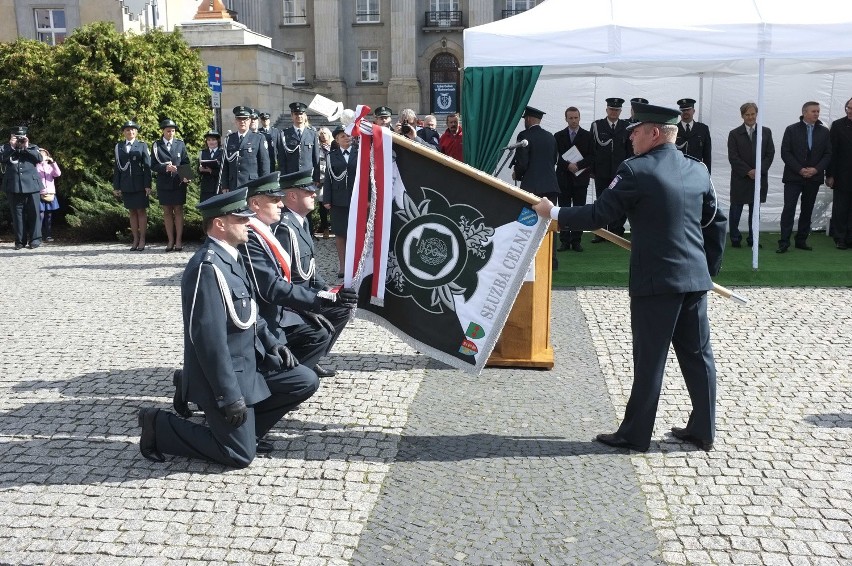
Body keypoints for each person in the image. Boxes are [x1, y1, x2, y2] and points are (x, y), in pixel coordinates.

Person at [531, 101, 727, 453]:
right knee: (698, 356)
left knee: (650, 359)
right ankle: (703, 430)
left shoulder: (636, 170)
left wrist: (553, 211)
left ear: (654, 133)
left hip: (656, 282)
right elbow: (715, 221)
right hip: (694, 281)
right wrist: (707, 270)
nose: (630, 136)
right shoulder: (698, 170)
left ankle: (635, 435)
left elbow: (599, 214)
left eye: (635, 130)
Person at [138, 188, 319, 468]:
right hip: (225, 380)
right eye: (241, 219)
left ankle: (247, 432)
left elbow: (248, 312)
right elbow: (208, 340)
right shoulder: (207, 267)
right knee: (239, 456)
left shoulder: (231, 256)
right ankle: (159, 425)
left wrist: (272, 343)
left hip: (249, 366)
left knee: (304, 380)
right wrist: (228, 395)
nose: (249, 223)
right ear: (220, 224)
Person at [238, 172, 334, 378]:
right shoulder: (250, 236)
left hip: (278, 310)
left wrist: (323, 295)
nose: (281, 204)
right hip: (262, 318)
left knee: (320, 332)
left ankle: (297, 371)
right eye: (274, 200)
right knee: (299, 381)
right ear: (255, 203)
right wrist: (313, 301)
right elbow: (270, 287)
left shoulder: (264, 231)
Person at [275, 169, 359, 364]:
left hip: (308, 295)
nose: (314, 194)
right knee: (330, 314)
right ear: (292, 195)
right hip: (294, 302)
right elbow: (285, 279)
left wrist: (329, 290)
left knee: (343, 307)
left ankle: (315, 359)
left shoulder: (301, 221)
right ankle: (304, 361)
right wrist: (313, 302)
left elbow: (309, 270)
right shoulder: (284, 228)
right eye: (308, 191)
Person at [777, 101, 832, 253]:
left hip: (813, 178)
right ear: (804, 112)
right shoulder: (791, 129)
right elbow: (785, 152)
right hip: (793, 177)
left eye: (818, 111)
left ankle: (801, 240)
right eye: (813, 111)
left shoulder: (824, 131)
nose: (816, 114)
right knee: (789, 208)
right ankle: (784, 241)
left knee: (807, 209)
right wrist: (800, 169)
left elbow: (828, 154)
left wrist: (816, 169)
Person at [511, 105, 559, 270]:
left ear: (529, 119)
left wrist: (517, 173)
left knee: (528, 222)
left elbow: (522, 163)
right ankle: (552, 260)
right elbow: (554, 160)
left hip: (531, 186)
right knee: (550, 222)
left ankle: (528, 260)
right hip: (551, 185)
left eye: (525, 119)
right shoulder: (550, 137)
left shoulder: (524, 136)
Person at [727, 102, 775, 248]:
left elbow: (770, 153)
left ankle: (753, 238)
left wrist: (759, 171)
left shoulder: (765, 132)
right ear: (742, 116)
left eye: (753, 114)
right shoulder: (734, 134)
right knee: (736, 210)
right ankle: (735, 238)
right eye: (747, 114)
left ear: (756, 114)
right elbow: (733, 157)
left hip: (759, 179)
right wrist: (748, 171)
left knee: (755, 211)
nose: (750, 117)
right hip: (740, 178)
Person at [554, 106, 593, 252]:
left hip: (580, 180)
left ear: (580, 118)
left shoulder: (588, 136)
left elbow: (592, 156)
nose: (573, 120)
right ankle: (564, 241)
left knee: (579, 210)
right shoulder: (558, 136)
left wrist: (578, 165)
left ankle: (577, 240)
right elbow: (555, 157)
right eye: (570, 118)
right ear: (566, 119)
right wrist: (568, 165)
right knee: (564, 210)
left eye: (576, 117)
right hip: (563, 179)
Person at [589, 97, 629, 240]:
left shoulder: (626, 126)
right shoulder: (597, 126)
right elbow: (592, 150)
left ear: (620, 111)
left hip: (620, 172)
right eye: (611, 109)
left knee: (619, 201)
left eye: (617, 110)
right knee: (602, 201)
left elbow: (629, 151)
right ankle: (601, 233)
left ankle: (616, 231)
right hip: (602, 172)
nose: (614, 112)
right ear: (606, 110)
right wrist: (592, 170)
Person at [323, 126, 358, 275]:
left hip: (357, 199)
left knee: (357, 234)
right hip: (338, 201)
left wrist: (368, 198)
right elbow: (328, 179)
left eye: (349, 135)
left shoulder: (360, 153)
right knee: (340, 234)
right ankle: (343, 266)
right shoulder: (331, 156)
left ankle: (356, 265)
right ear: (336, 140)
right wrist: (326, 199)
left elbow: (368, 178)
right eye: (343, 136)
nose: (346, 138)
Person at [112, 120, 152, 251]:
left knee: (141, 210)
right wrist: (116, 186)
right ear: (124, 132)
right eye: (128, 130)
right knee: (132, 212)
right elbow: (117, 168)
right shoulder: (119, 147)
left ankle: (142, 239)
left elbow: (147, 166)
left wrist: (148, 184)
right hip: (126, 183)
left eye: (133, 129)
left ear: (136, 132)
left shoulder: (142, 145)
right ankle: (135, 238)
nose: (131, 132)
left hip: (140, 183)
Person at [152, 118, 190, 252]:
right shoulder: (156, 146)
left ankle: (179, 241)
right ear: (163, 131)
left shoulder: (180, 144)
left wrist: (186, 177)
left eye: (173, 131)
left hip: (178, 183)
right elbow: (153, 165)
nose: (171, 133)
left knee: (179, 210)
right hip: (164, 183)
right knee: (167, 212)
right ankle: (170, 241)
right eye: (168, 131)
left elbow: (185, 162)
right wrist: (165, 168)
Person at [2, 126, 44, 250]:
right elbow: (2, 158)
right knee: (17, 215)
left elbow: (39, 158)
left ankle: (35, 239)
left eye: (21, 137)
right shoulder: (5, 148)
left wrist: (25, 147)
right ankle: (20, 241)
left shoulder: (33, 147)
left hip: (32, 186)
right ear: (11, 137)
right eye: (16, 137)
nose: (19, 139)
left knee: (34, 213)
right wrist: (12, 146)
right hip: (13, 186)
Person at [221, 105, 270, 192]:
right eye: (239, 119)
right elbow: (225, 165)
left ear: (250, 120)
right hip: (233, 185)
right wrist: (225, 185)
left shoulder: (258, 138)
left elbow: (264, 164)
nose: (242, 121)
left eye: (245, 119)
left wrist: (264, 186)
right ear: (235, 121)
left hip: (252, 184)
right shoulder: (229, 139)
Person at [826, 97, 852, 249]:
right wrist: (830, 175)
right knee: (841, 208)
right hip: (842, 175)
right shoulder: (837, 125)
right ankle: (840, 237)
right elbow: (832, 152)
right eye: (848, 107)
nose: (849, 111)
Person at [277, 102, 320, 178]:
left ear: (305, 116)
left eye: (301, 114)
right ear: (292, 116)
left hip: (308, 176)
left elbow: (316, 158)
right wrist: (283, 178)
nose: (299, 116)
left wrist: (317, 178)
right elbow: (281, 159)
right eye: (296, 114)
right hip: (291, 176)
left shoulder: (312, 134)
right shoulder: (284, 134)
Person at [676, 98, 712, 172]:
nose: (685, 112)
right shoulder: (674, 129)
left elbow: (707, 155)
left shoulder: (703, 129)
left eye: (688, 110)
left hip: (696, 171)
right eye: (683, 110)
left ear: (693, 111)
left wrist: (707, 175)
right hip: (679, 171)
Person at [36, 148, 61, 242]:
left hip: (50, 194)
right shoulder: (36, 166)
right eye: (41, 155)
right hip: (40, 194)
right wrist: (40, 162)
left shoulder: (50, 167)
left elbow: (58, 174)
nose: (43, 156)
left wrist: (53, 162)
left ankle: (48, 235)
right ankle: (38, 236)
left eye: (45, 154)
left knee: (49, 216)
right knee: (40, 215)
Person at [314, 126, 334, 236]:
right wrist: (316, 178)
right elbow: (315, 164)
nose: (323, 136)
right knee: (322, 203)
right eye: (321, 134)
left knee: (333, 203)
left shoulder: (334, 146)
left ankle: (334, 226)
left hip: (334, 178)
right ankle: (325, 227)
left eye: (325, 133)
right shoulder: (317, 148)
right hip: (322, 179)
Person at [198, 130, 222, 203]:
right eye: (208, 140)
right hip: (206, 187)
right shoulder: (203, 153)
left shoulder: (222, 152)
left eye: (213, 140)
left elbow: (224, 170)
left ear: (218, 141)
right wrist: (200, 169)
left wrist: (211, 171)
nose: (211, 142)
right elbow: (198, 168)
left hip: (218, 185)